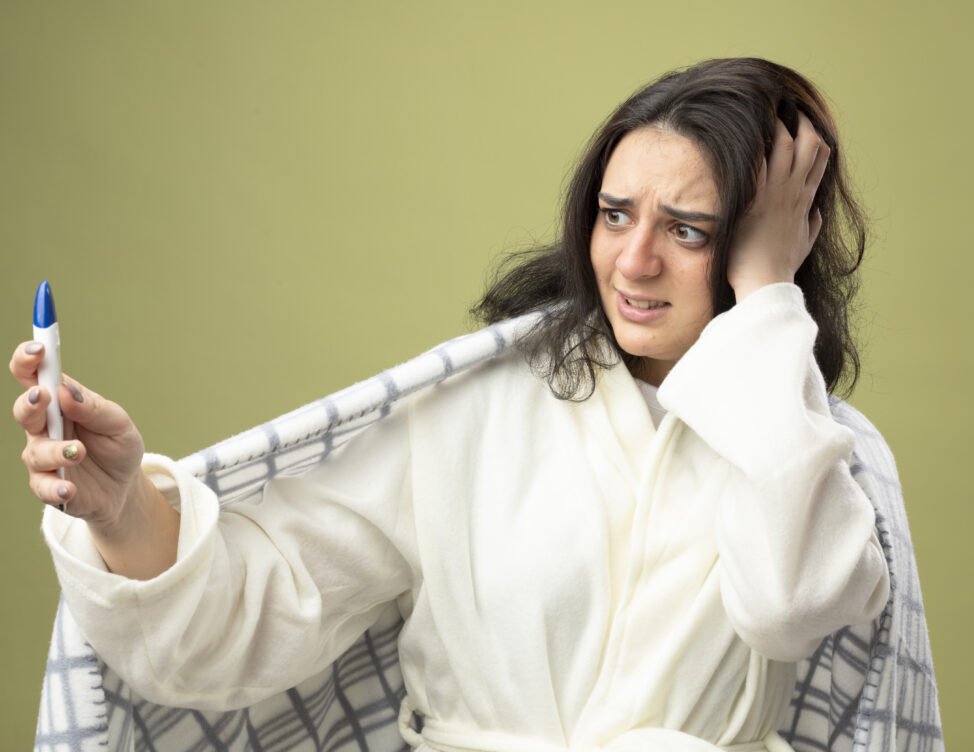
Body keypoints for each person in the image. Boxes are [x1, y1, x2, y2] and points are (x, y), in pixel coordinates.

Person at [12, 58, 891, 751]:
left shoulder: (807, 448)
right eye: (616, 215)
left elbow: (790, 607)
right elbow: (248, 617)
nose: (633, 261)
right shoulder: (471, 410)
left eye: (689, 229)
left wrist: (770, 300)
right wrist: (123, 505)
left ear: (757, 248)